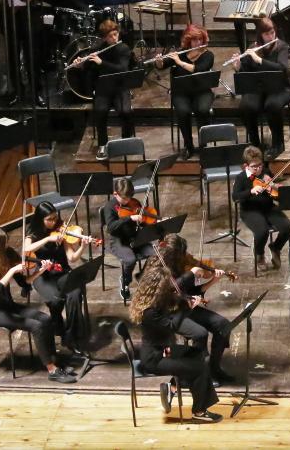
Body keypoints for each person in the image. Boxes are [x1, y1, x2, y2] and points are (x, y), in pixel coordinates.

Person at [0, 227, 78, 383]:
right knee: (36, 326)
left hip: (8, 305)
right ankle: (52, 370)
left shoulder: (7, 254)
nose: (6, 246)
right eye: (2, 244)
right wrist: (12, 270)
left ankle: (54, 360)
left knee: (45, 319)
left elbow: (25, 282)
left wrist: (41, 270)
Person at [129, 256, 222, 422]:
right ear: (157, 287)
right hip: (155, 358)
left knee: (198, 354)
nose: (170, 285)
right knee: (199, 368)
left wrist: (188, 300)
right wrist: (188, 308)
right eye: (166, 284)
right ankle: (199, 411)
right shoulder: (149, 311)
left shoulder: (155, 300)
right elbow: (172, 325)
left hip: (163, 350)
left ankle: (172, 387)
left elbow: (173, 300)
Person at [154, 233, 235, 386]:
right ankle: (202, 373)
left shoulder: (182, 263)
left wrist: (213, 281)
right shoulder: (159, 268)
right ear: (172, 253)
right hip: (171, 312)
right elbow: (171, 289)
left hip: (187, 305)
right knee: (200, 334)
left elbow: (190, 291)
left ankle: (214, 368)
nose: (185, 256)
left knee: (223, 325)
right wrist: (191, 274)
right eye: (180, 253)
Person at [23, 201, 90, 351]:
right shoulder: (33, 232)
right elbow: (26, 249)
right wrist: (47, 239)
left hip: (62, 271)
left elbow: (72, 258)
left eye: (55, 218)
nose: (54, 222)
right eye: (49, 219)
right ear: (41, 219)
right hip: (43, 274)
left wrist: (83, 246)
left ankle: (71, 336)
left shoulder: (61, 228)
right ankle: (57, 325)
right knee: (55, 300)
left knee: (75, 293)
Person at [69, 18, 137, 160]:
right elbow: (87, 67)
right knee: (99, 111)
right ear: (104, 38)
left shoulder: (124, 48)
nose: (114, 37)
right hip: (104, 89)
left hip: (120, 87)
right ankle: (102, 144)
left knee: (126, 111)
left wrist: (102, 63)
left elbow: (122, 69)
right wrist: (79, 65)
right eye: (111, 36)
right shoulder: (98, 49)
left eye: (116, 34)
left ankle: (125, 141)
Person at [2, 0, 48, 107]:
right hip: (10, 19)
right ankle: (18, 92)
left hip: (30, 18)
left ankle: (36, 92)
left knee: (32, 58)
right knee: (13, 58)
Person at [236, 17, 290, 159]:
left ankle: (278, 144)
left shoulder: (282, 46)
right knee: (246, 106)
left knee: (272, 105)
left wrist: (260, 60)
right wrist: (237, 67)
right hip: (259, 88)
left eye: (272, 32)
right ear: (260, 34)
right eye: (266, 34)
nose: (270, 36)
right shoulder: (253, 48)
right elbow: (245, 73)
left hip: (280, 88)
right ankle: (255, 143)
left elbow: (282, 68)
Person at [156, 24, 215, 160]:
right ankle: (188, 146)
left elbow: (199, 69)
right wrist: (159, 62)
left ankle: (204, 146)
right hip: (181, 92)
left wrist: (179, 62)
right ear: (188, 41)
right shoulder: (181, 53)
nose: (198, 42)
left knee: (202, 109)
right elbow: (162, 66)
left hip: (202, 91)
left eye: (200, 39)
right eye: (195, 40)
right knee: (182, 112)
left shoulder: (208, 55)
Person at [232, 146, 290, 272]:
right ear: (246, 166)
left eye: (260, 165)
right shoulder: (241, 178)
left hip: (268, 207)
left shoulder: (266, 172)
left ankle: (276, 247)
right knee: (262, 231)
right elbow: (235, 197)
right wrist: (250, 191)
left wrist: (273, 185)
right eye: (254, 166)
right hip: (250, 211)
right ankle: (259, 255)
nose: (258, 168)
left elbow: (276, 195)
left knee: (287, 227)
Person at [101, 177, 155, 303]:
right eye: (124, 198)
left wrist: (147, 222)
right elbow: (111, 227)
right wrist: (130, 218)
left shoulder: (134, 202)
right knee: (130, 259)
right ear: (115, 194)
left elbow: (141, 223)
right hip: (117, 240)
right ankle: (125, 281)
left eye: (130, 198)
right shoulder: (109, 207)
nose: (128, 201)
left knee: (155, 253)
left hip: (134, 237)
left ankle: (141, 276)